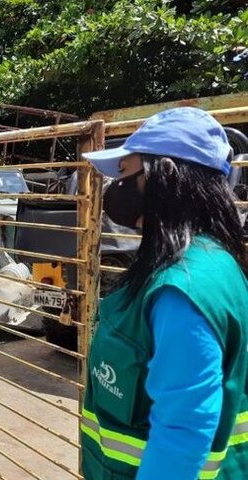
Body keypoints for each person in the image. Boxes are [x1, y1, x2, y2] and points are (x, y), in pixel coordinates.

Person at [80, 107, 248, 479]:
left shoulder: (184, 288)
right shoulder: (207, 262)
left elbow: (183, 431)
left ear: (165, 175)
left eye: (125, 172)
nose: (116, 188)